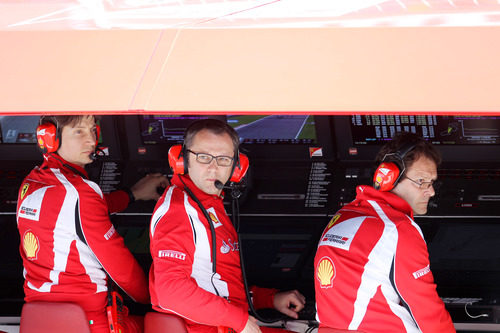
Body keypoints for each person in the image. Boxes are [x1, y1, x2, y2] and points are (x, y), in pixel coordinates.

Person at [149, 119, 306, 333]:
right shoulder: (180, 211)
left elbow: (217, 283)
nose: (213, 168)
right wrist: (240, 321)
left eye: (223, 159)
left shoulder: (209, 204)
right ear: (183, 160)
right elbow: (171, 292)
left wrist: (269, 299)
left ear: (236, 167)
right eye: (204, 157)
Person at [16, 115, 169, 333]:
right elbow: (121, 269)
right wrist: (155, 299)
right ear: (49, 139)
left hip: (42, 317)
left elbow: (79, 211)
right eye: (79, 132)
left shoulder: (31, 182)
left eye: (93, 130)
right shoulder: (80, 193)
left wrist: (132, 194)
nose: (91, 140)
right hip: (90, 321)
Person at [314, 132, 455, 333]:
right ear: (388, 177)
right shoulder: (397, 228)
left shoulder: (342, 216)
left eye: (431, 182)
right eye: (422, 181)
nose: (430, 191)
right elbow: (425, 308)